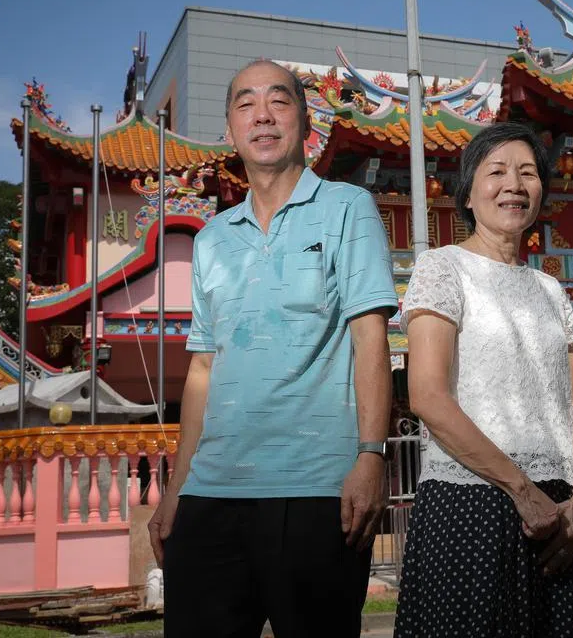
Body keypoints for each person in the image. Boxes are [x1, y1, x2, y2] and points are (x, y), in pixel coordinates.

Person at [147, 59, 399, 637]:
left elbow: (370, 340)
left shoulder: (347, 209)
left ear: (305, 121)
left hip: (316, 493)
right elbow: (203, 369)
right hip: (211, 496)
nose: (262, 115)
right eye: (245, 104)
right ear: (231, 129)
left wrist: (371, 455)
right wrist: (175, 491)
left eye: (278, 101)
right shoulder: (211, 238)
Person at [393, 122, 573, 638]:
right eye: (497, 171)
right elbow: (428, 396)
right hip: (473, 502)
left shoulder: (551, 291)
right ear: (467, 193)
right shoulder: (442, 269)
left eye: (528, 173)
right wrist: (519, 487)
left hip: (559, 517)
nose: (515, 184)